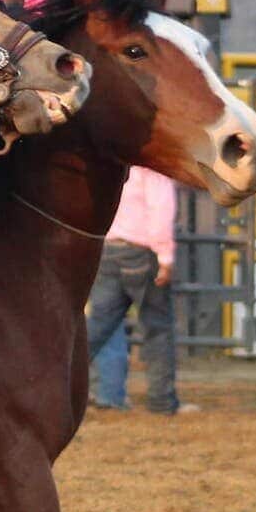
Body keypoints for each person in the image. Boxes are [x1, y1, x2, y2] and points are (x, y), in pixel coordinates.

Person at [85, 166, 197, 415]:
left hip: (108, 248)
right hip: (142, 252)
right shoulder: (153, 170)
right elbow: (160, 209)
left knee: (96, 329)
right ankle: (162, 401)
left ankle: (54, 384)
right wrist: (165, 256)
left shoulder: (115, 165)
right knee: (157, 327)